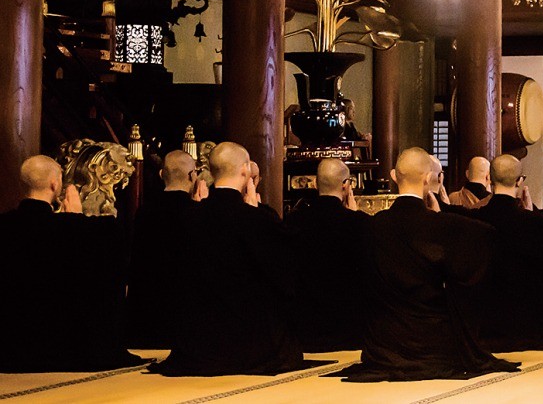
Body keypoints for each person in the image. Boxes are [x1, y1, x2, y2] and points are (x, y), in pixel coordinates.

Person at [345, 148, 517, 381]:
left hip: (384, 344)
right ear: (428, 179)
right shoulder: (440, 225)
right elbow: (485, 236)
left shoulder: (372, 226)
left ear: (394, 176)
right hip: (431, 342)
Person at [155, 142, 304, 376]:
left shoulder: (187, 218)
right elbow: (283, 276)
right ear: (245, 170)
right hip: (248, 340)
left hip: (197, 340)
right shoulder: (255, 219)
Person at [0, 155, 141, 372]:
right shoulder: (70, 228)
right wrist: (76, 218)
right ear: (55, 184)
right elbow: (108, 245)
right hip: (58, 339)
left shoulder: (6, 226)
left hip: (11, 340)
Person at [466, 154, 543, 350]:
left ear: (489, 179)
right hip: (525, 321)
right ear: (519, 181)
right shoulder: (535, 223)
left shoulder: (473, 220)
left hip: (484, 320)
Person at [286, 158, 370, 351]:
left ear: (315, 183)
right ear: (346, 185)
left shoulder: (294, 220)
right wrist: (356, 215)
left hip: (305, 328)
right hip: (349, 330)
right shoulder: (358, 223)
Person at [127, 150, 205, 349]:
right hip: (183, 317)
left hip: (145, 315)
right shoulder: (196, 213)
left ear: (162, 175)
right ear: (192, 175)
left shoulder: (144, 212)